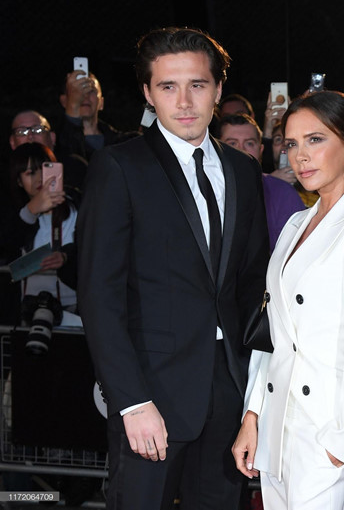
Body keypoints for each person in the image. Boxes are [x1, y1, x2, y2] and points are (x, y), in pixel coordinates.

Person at [77, 27, 269, 510]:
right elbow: (99, 296)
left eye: (197, 85)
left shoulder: (243, 171)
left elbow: (252, 283)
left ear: (218, 90)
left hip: (229, 394)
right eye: (168, 86)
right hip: (151, 395)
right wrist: (131, 401)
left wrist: (256, 396)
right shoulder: (120, 167)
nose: (184, 102)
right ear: (148, 93)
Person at [232, 91, 344, 509]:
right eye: (292, 144)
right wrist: (252, 415)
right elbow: (273, 332)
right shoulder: (294, 224)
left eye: (315, 140)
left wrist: (341, 443)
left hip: (321, 431)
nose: (300, 156)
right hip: (275, 426)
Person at [215, 113, 305, 251]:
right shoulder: (202, 192)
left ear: (261, 150)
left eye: (249, 143)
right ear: (215, 150)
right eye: (232, 143)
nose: (241, 150)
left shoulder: (283, 193)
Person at [8, 143, 77, 311]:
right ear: (19, 181)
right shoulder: (16, 214)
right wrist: (31, 211)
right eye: (30, 173)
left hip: (74, 305)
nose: (39, 178)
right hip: (29, 308)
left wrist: (65, 256)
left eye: (44, 169)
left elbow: (90, 247)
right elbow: (9, 245)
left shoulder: (76, 205)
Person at [57, 72, 137, 161]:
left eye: (91, 91)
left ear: (101, 103)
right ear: (64, 101)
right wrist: (72, 111)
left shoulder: (123, 143)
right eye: (78, 92)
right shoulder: (54, 143)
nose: (85, 96)